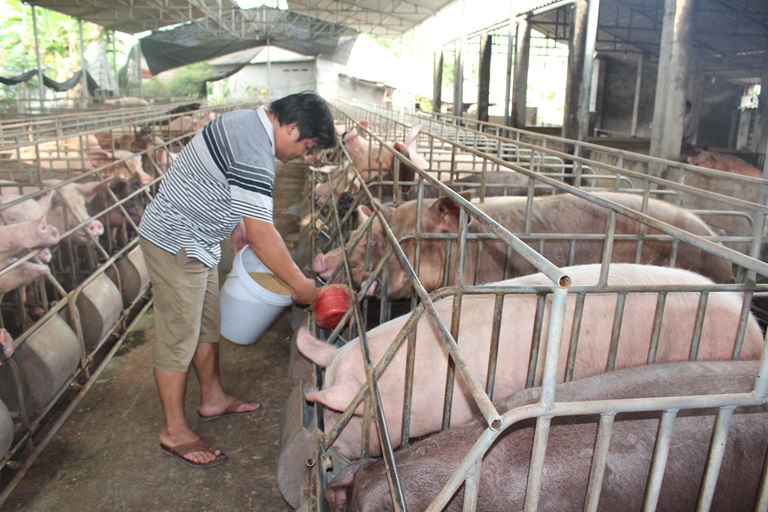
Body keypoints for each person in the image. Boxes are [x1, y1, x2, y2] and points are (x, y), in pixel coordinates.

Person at [138, 91, 336, 468]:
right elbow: (265, 236)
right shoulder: (255, 151)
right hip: (177, 240)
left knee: (206, 323)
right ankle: (174, 430)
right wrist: (300, 284)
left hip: (201, 239)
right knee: (179, 335)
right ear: (292, 127)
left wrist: (240, 221)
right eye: (308, 147)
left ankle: (212, 398)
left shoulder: (247, 122)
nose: (305, 157)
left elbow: (231, 187)